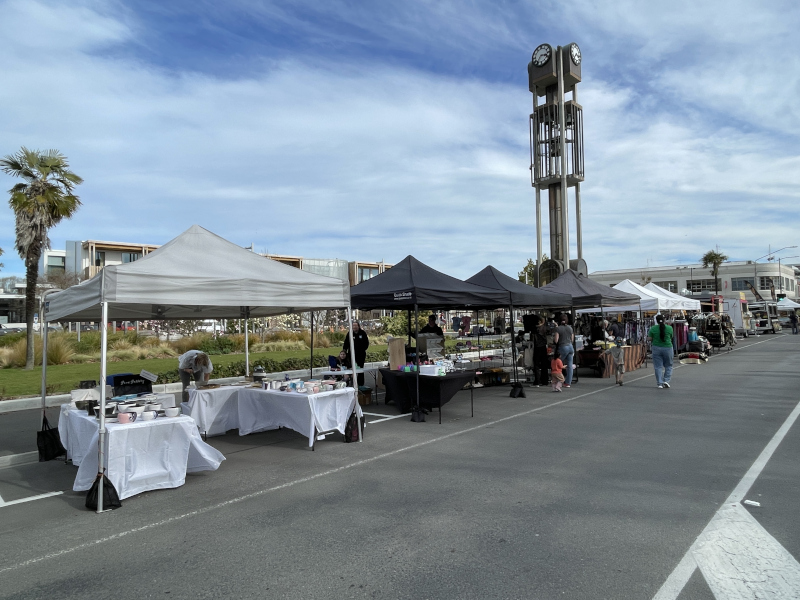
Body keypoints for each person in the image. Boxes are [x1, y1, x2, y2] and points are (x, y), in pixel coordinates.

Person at [648, 314, 674, 389]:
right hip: (668, 347)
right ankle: (666, 380)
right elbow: (671, 337)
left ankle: (660, 383)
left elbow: (649, 338)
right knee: (668, 365)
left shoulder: (653, 328)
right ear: (664, 320)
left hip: (656, 347)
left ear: (656, 321)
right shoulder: (669, 328)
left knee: (658, 366)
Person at [343, 320, 370, 386]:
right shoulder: (350, 333)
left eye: (356, 325)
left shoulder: (362, 333)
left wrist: (363, 349)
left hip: (361, 355)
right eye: (353, 326)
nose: (354, 327)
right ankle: (351, 383)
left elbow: (366, 343)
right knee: (351, 368)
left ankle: (360, 384)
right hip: (351, 355)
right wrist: (344, 350)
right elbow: (346, 343)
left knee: (360, 369)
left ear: (358, 326)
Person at [553, 316, 575, 388]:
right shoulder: (570, 328)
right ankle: (568, 383)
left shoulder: (558, 329)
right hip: (570, 347)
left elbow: (556, 340)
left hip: (563, 347)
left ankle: (558, 380)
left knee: (557, 364)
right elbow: (572, 339)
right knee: (570, 365)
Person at [533, 316, 549, 387]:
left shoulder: (536, 328)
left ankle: (537, 381)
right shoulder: (545, 328)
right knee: (544, 364)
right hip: (544, 346)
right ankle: (545, 381)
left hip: (537, 347)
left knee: (536, 364)